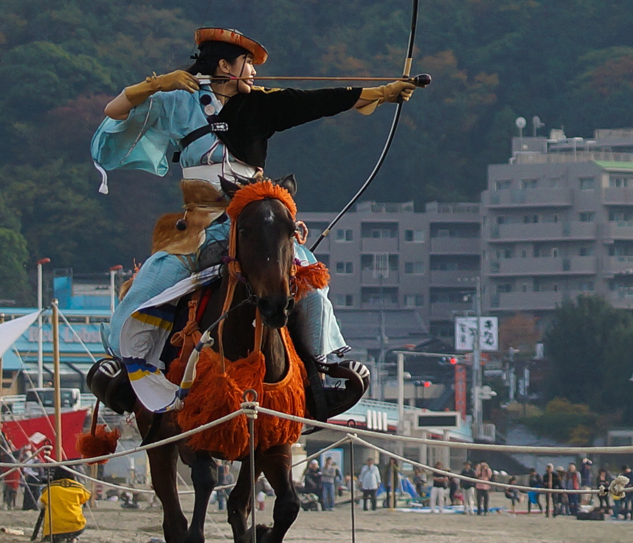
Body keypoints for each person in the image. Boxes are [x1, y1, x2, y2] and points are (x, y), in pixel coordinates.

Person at [91, 26, 418, 412]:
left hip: (253, 224)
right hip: (198, 225)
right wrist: (156, 84)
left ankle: (321, 371)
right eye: (248, 65)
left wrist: (384, 93)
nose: (254, 74)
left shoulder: (262, 105)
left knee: (307, 279)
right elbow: (115, 111)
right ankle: (125, 368)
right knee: (151, 283)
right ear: (225, 66)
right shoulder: (178, 101)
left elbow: (321, 101)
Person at [40, 468, 91, 543]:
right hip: (75, 526)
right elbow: (85, 499)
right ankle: (73, 538)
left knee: (54, 537)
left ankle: (59, 538)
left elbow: (41, 504)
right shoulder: (78, 487)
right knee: (78, 525)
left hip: (53, 528)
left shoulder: (49, 488)